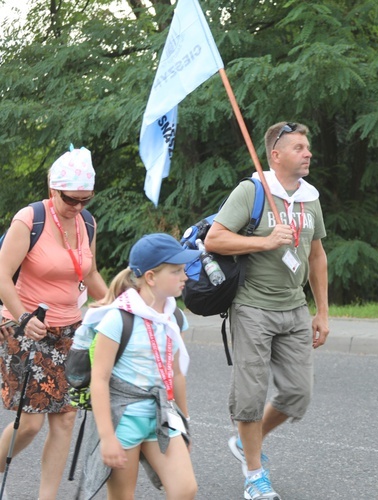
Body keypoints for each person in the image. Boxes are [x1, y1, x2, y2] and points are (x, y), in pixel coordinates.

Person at [204, 121, 329, 500]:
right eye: (299, 148)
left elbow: (317, 255)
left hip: (293, 307)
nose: (307, 153)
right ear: (276, 155)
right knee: (250, 394)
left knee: (297, 393)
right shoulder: (253, 190)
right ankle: (254, 475)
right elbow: (215, 238)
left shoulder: (309, 197)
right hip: (253, 307)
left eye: (307, 147)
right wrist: (263, 241)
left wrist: (322, 311)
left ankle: (247, 441)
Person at [0, 145, 108, 500]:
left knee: (63, 419)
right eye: (71, 199)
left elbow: (88, 272)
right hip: (25, 327)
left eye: (85, 200)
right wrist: (23, 317)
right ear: (53, 190)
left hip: (71, 331)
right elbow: (2, 275)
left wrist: (117, 305)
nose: (77, 207)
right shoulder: (30, 219)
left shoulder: (87, 223)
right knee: (29, 423)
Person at [79, 233, 199, 500]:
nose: (185, 276)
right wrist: (107, 436)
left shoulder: (174, 318)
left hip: (162, 415)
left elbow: (177, 373)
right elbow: (99, 380)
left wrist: (185, 421)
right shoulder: (117, 319)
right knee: (123, 496)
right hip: (124, 419)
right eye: (176, 271)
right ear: (151, 277)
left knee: (185, 489)